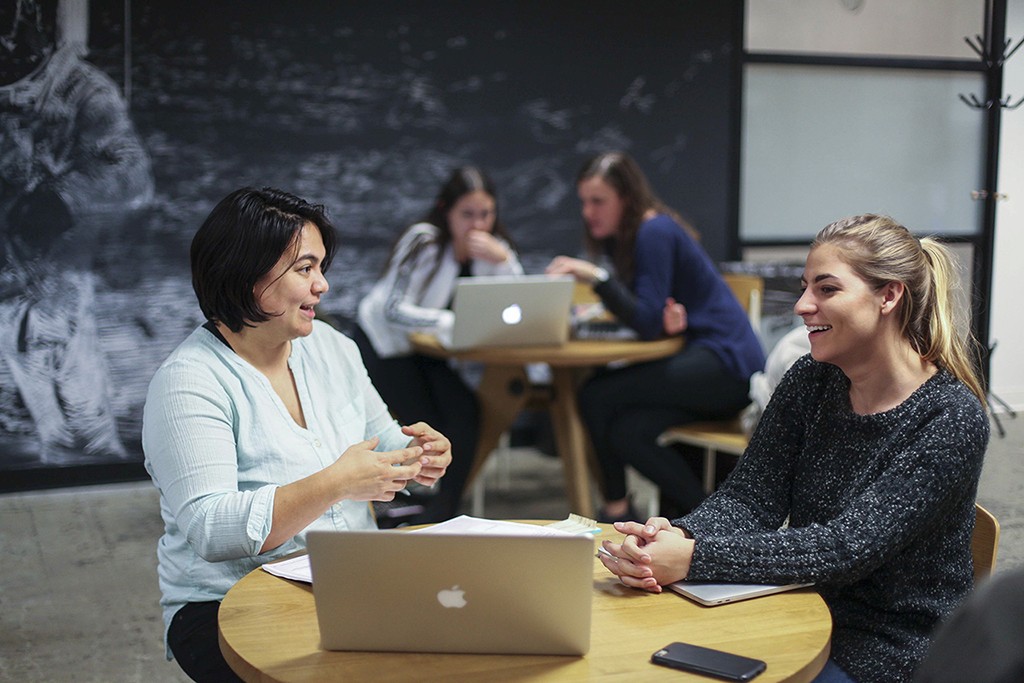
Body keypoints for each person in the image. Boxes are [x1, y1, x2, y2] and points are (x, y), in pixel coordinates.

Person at [598, 214, 990, 683]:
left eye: (826, 289)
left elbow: (848, 547)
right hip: (797, 605)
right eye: (806, 288)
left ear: (888, 296)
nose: (803, 305)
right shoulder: (810, 380)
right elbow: (749, 498)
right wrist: (679, 536)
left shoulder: (950, 417)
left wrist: (695, 558)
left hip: (892, 645)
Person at [143, 187, 452, 682]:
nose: (322, 285)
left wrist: (419, 454)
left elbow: (383, 443)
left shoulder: (333, 347)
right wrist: (336, 482)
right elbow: (209, 528)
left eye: (321, 267)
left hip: (350, 582)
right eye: (305, 269)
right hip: (225, 604)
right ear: (246, 273)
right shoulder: (189, 381)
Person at [545, 152, 764, 521]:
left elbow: (645, 320)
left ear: (626, 199)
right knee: (626, 432)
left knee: (595, 395)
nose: (588, 212)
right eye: (584, 202)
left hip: (727, 363)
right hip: (703, 357)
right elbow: (652, 314)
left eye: (598, 201)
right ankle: (710, 519)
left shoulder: (654, 230)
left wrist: (597, 279)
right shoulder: (632, 236)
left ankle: (615, 512)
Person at [355, 166, 523, 523]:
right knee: (427, 424)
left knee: (467, 413)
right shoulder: (424, 239)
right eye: (467, 214)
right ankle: (416, 509)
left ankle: (446, 508)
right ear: (446, 210)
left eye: (486, 214)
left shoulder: (492, 251)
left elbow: (514, 305)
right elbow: (391, 309)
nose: (477, 224)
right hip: (384, 347)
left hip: (427, 351)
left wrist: (505, 262)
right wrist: (448, 322)